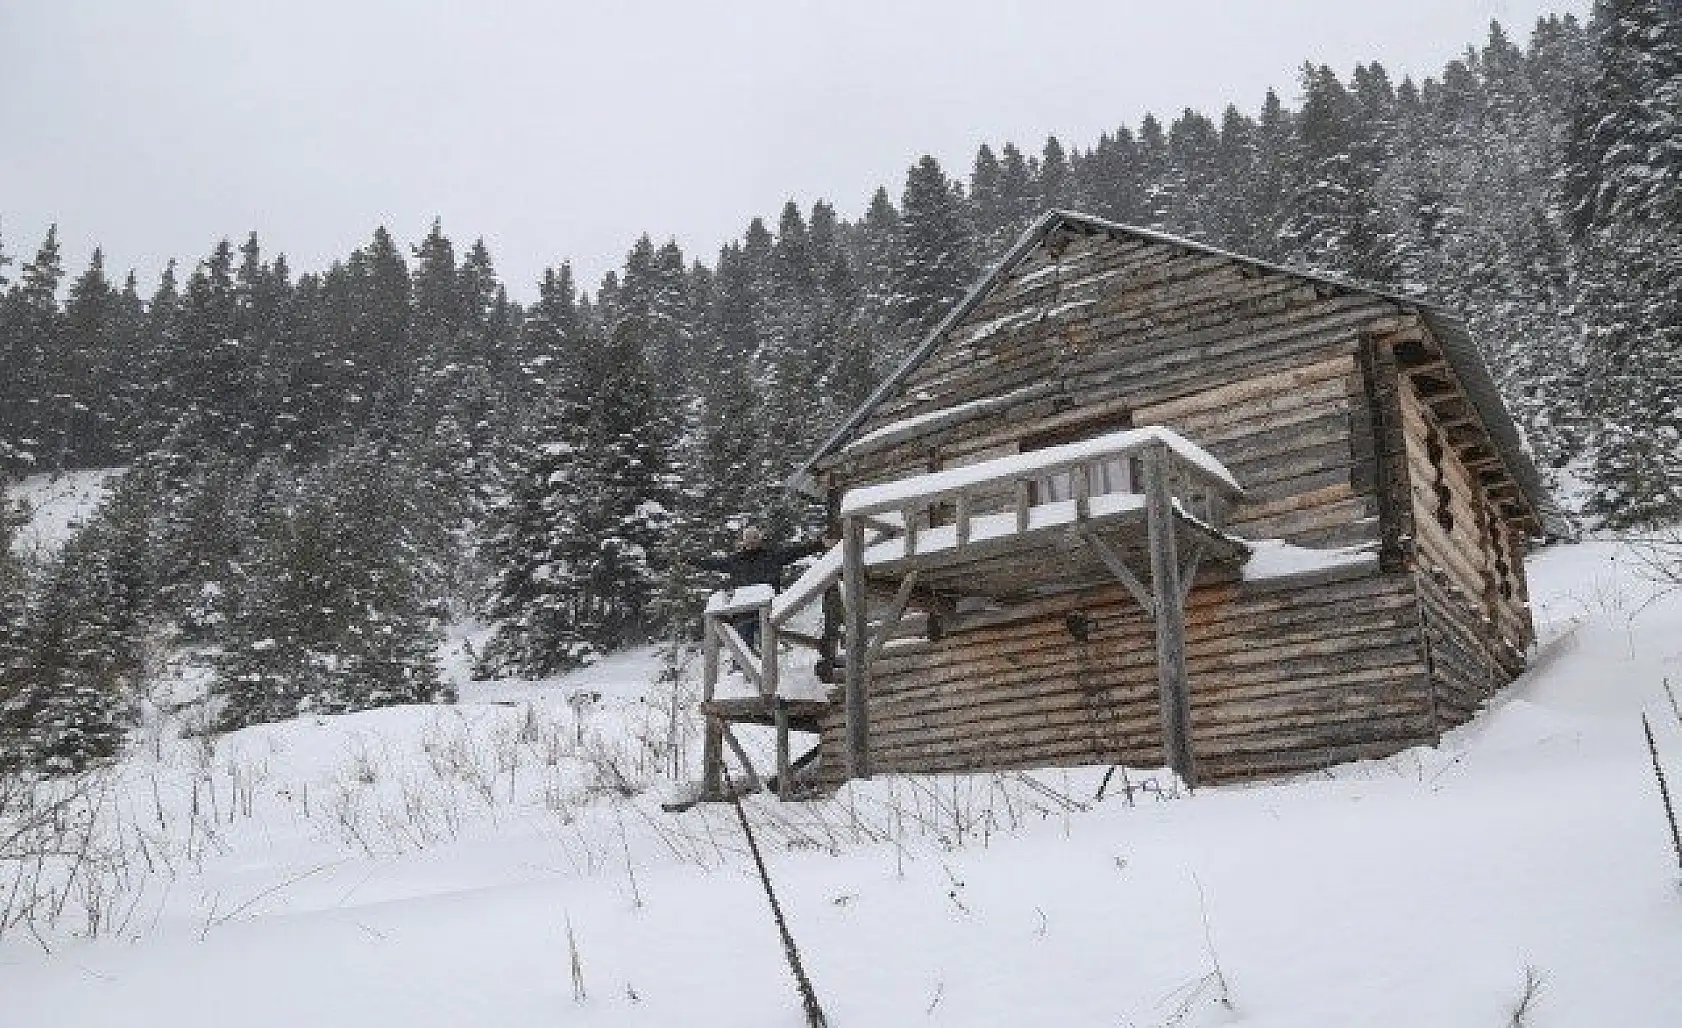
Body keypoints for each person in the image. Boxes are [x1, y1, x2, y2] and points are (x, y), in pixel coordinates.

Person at [697, 526, 829, 651]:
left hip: (768, 611)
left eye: (754, 538)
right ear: (743, 541)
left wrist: (820, 544)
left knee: (768, 646)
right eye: (748, 539)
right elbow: (711, 563)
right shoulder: (735, 560)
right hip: (743, 613)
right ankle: (739, 671)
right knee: (743, 648)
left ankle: (770, 667)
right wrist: (689, 560)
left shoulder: (772, 556)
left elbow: (797, 551)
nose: (751, 542)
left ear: (759, 539)